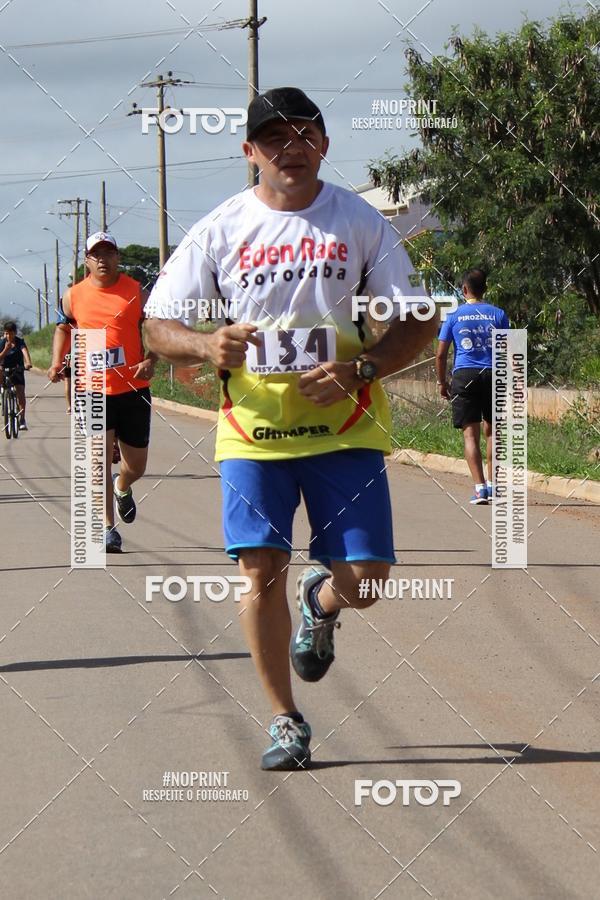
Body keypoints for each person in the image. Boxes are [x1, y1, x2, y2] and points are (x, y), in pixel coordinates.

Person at [144, 87, 437, 770]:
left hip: (345, 428)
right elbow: (158, 325)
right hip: (252, 433)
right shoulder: (219, 229)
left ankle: (324, 599)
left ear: (324, 145)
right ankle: (284, 719)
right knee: (260, 572)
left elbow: (419, 319)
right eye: (273, 138)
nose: (290, 146)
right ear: (250, 153)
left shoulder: (358, 222)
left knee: (366, 580)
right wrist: (204, 346)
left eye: (305, 133)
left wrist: (362, 368)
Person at [48, 232, 157, 552]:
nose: (102, 259)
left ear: (117, 258)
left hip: (133, 389)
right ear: (87, 261)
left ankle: (122, 486)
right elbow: (63, 328)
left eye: (108, 253)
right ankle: (108, 528)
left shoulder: (136, 291)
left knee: (136, 465)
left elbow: (155, 330)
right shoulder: (73, 296)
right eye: (96, 254)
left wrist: (152, 358)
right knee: (97, 462)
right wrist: (56, 362)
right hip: (91, 390)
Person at [436, 269, 510, 504]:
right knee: (493, 433)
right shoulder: (499, 314)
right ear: (485, 289)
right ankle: (495, 487)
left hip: (464, 375)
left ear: (464, 290)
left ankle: (480, 490)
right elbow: (509, 351)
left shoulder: (454, 315)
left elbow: (440, 354)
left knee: (471, 435)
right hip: (493, 374)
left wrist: (442, 382)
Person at [0, 321, 32, 429]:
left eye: (11, 333)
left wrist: (28, 363)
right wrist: (5, 349)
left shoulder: (20, 342)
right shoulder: (2, 342)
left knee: (20, 393)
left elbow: (25, 352)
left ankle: (22, 419)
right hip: (4, 368)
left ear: (15, 333)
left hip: (17, 369)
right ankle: (2, 392)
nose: (9, 336)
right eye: (7, 333)